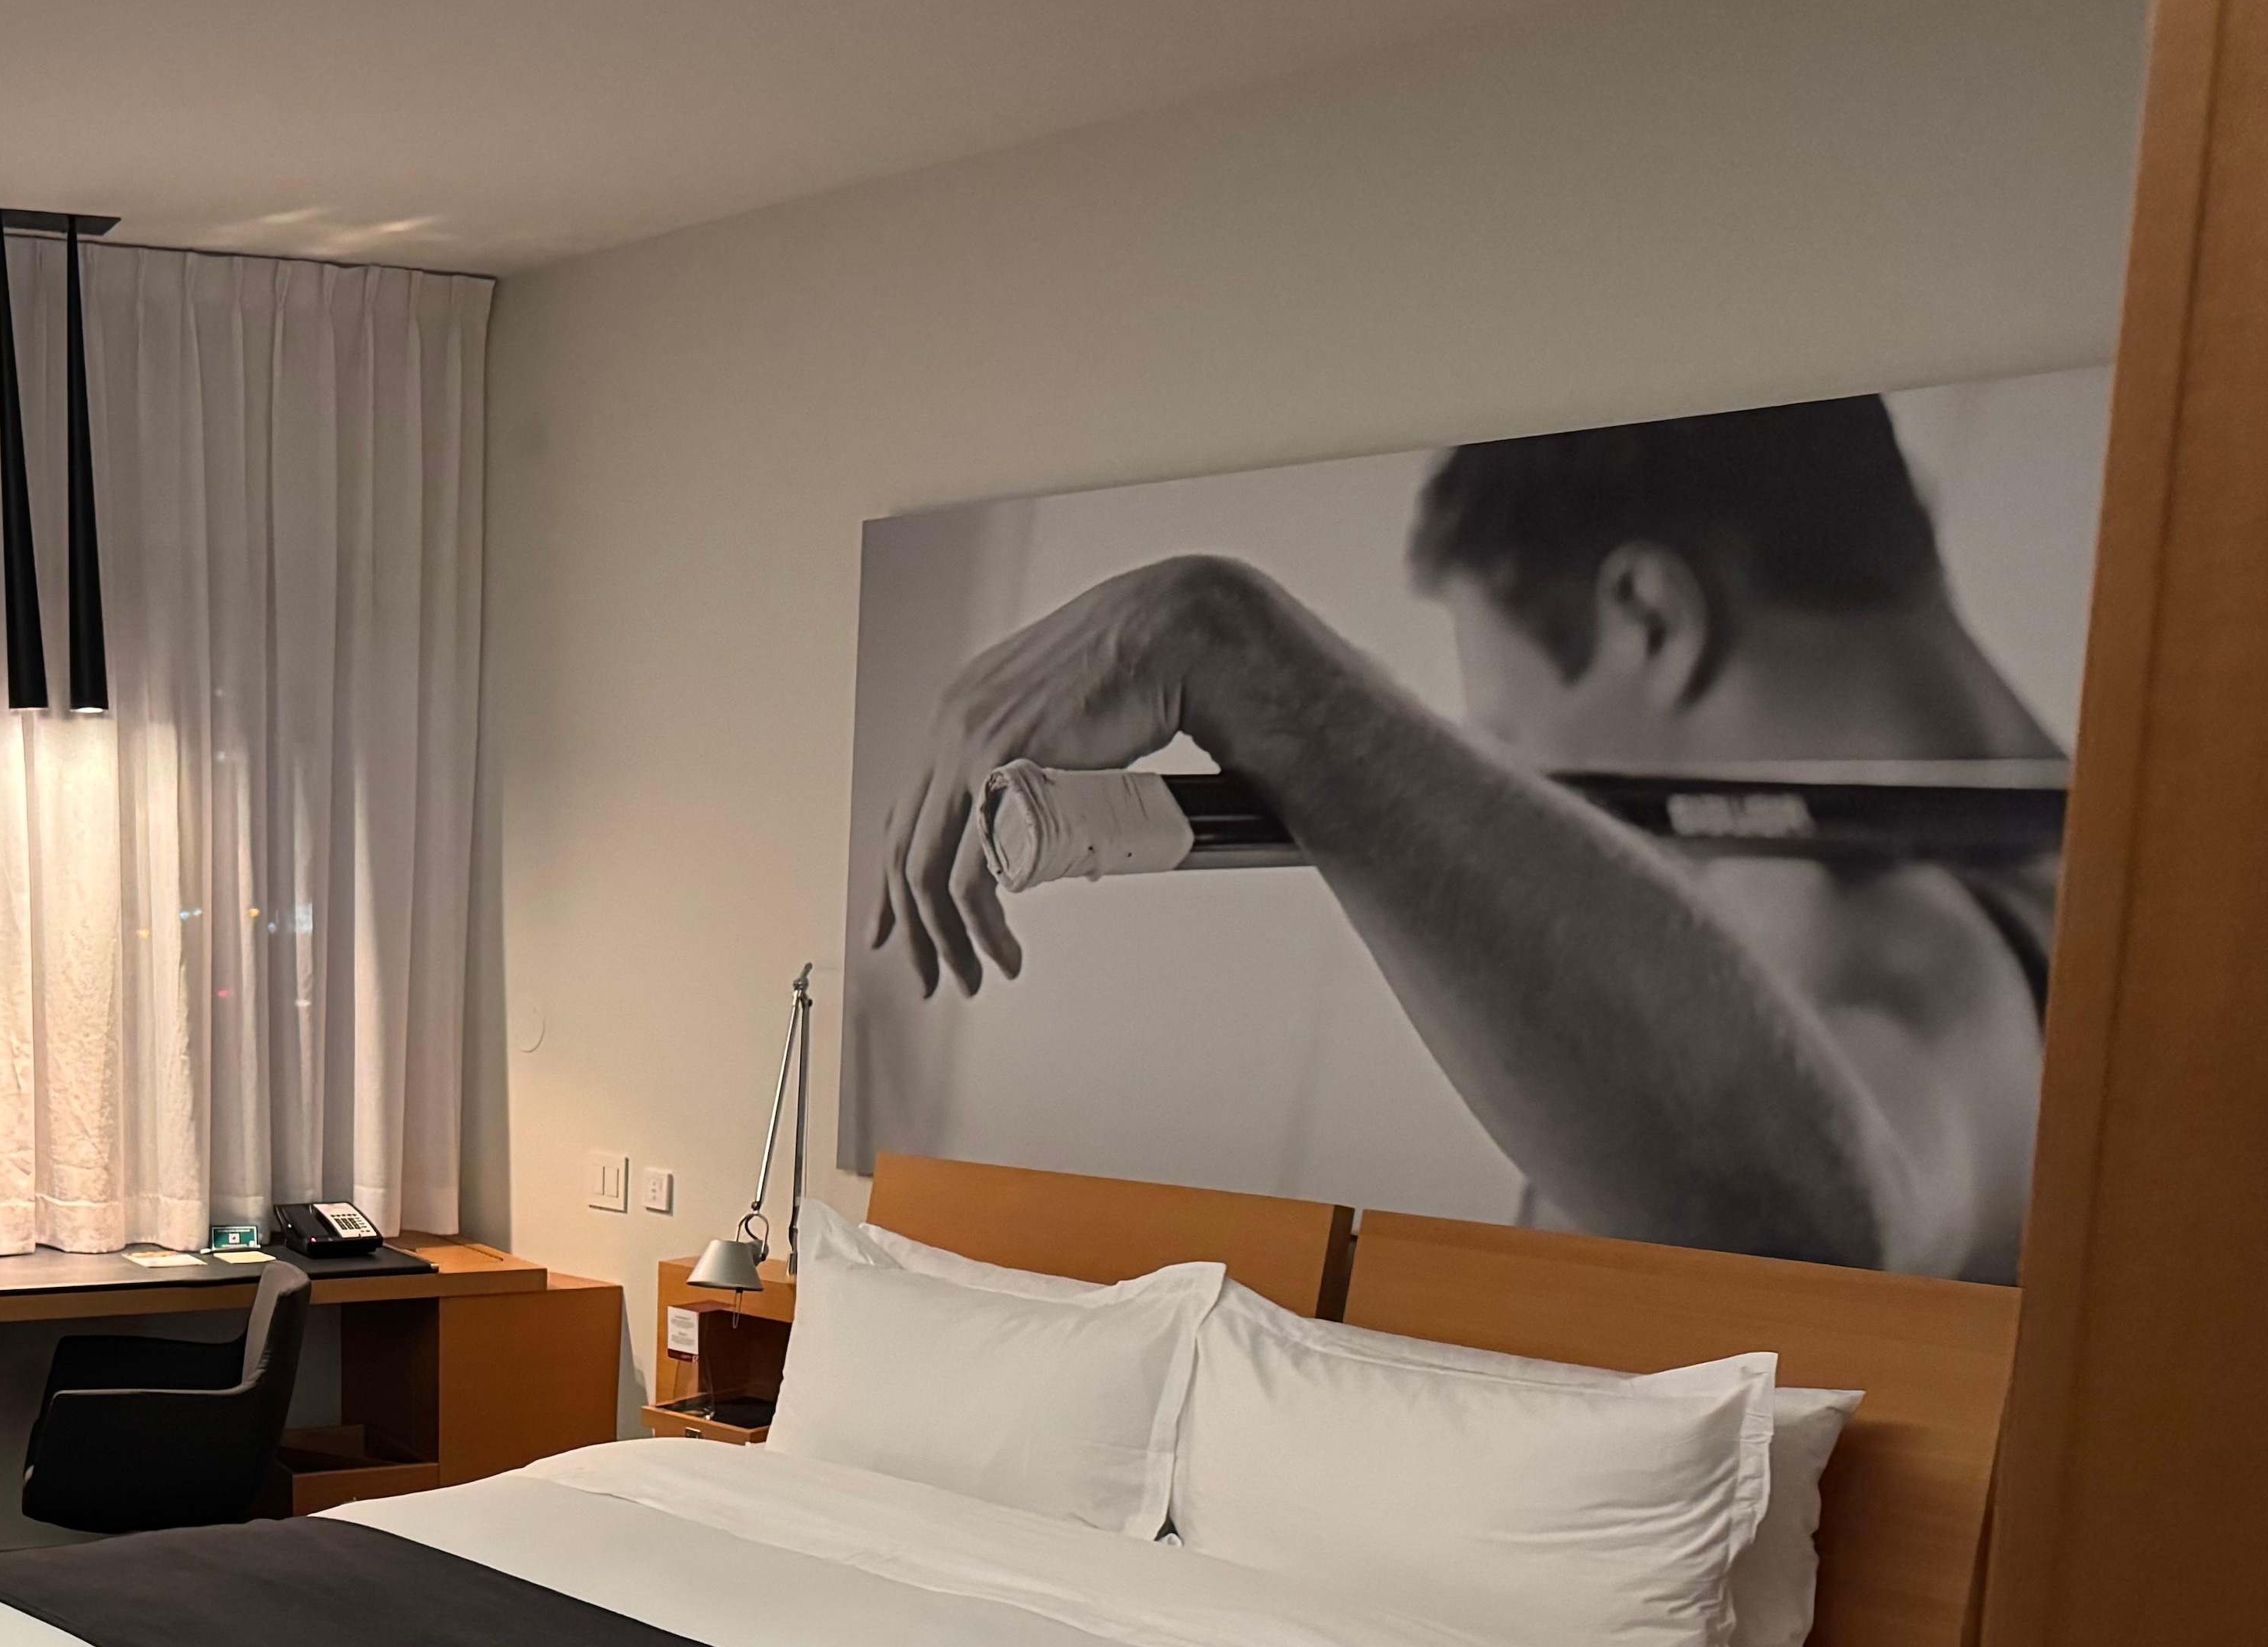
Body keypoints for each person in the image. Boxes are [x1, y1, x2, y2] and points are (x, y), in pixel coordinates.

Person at [864, 398, 2060, 1281]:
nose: (1514, 793)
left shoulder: (1860, 922)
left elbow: (1807, 1224)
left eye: (1507, 740)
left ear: (1649, 617)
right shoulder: (2085, 880)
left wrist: (1250, 665)